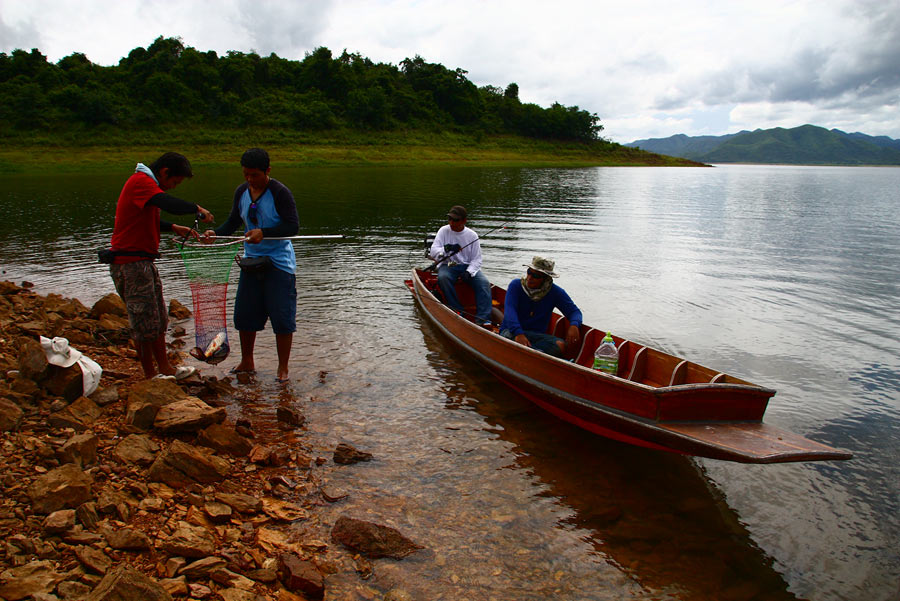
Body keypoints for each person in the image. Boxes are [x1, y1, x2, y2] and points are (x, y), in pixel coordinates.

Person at [108, 152, 214, 380]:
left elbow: (145, 217)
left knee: (158, 318)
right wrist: (196, 209)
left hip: (143, 262)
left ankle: (165, 368)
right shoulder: (141, 182)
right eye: (174, 182)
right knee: (143, 321)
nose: (173, 187)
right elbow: (167, 203)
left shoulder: (147, 186)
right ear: (164, 172)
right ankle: (150, 375)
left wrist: (174, 227)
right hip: (130, 263)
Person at [204, 148, 299, 382]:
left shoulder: (279, 193)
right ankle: (247, 361)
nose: (250, 180)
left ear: (267, 171)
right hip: (251, 261)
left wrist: (264, 233)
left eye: (255, 175)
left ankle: (282, 368)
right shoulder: (242, 192)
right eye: (246, 174)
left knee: (282, 317)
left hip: (279, 263)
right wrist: (215, 234)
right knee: (244, 315)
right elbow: (234, 222)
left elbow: (292, 227)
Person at [500, 256, 583, 357]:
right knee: (517, 340)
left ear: (546, 279)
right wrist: (518, 333)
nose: (529, 278)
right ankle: (538, 355)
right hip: (510, 332)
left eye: (535, 276)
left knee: (560, 345)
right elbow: (510, 312)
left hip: (537, 336)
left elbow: (574, 312)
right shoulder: (516, 285)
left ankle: (535, 353)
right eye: (529, 272)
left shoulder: (555, 292)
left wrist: (574, 325)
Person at [428, 205, 493, 327]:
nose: (452, 222)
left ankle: (483, 319)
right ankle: (457, 310)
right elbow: (433, 252)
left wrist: (469, 272)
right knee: (443, 278)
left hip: (467, 266)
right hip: (448, 265)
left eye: (455, 220)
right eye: (450, 219)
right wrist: (447, 249)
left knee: (484, 283)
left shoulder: (472, 235)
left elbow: (477, 259)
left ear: (464, 221)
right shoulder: (443, 231)